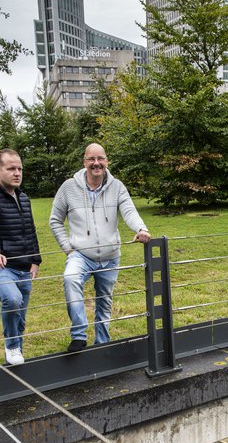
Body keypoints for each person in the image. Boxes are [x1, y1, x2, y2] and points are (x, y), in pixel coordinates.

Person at [49, 143, 150, 352]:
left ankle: (102, 345)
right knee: (70, 279)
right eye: (91, 159)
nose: (96, 163)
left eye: (101, 158)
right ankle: (79, 335)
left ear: (107, 161)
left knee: (104, 301)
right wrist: (68, 249)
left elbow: (129, 210)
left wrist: (141, 228)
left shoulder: (117, 186)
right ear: (84, 162)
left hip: (110, 255)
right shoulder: (68, 187)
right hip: (81, 255)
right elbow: (55, 220)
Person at [0, 149, 41, 366]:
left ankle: (16, 362)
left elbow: (31, 231)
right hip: (4, 268)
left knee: (21, 319)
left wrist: (36, 260)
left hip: (25, 266)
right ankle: (12, 346)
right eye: (11, 168)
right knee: (12, 300)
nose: (17, 173)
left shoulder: (24, 199)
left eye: (19, 169)